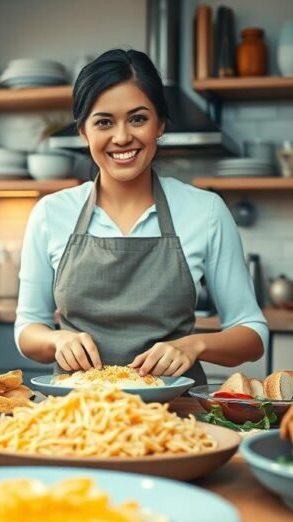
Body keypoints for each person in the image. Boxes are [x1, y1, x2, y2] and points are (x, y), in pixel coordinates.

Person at [14, 48, 267, 385]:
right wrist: (56, 340)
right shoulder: (51, 213)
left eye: (138, 118)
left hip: (178, 415)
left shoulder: (205, 211)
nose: (122, 137)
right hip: (75, 417)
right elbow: (27, 328)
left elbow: (252, 334)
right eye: (104, 122)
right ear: (84, 132)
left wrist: (195, 345)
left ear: (159, 125)